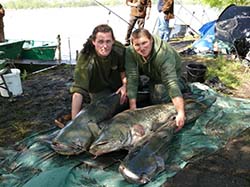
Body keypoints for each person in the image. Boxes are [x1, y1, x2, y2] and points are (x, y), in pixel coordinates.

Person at [125, 28, 188, 131]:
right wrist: (133, 108)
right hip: (150, 73)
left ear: (151, 40)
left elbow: (170, 82)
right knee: (135, 90)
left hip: (171, 74)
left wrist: (181, 112)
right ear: (132, 45)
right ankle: (153, 83)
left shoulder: (163, 54)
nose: (141, 48)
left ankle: (182, 84)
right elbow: (132, 76)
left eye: (144, 43)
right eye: (137, 45)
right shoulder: (130, 52)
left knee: (159, 97)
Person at [70, 24, 127, 119]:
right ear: (93, 41)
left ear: (113, 41)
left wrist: (125, 85)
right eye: (100, 42)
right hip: (99, 89)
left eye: (108, 41)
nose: (105, 46)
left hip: (118, 87)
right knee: (101, 110)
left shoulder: (119, 49)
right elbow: (78, 90)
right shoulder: (86, 56)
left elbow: (124, 70)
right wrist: (73, 120)